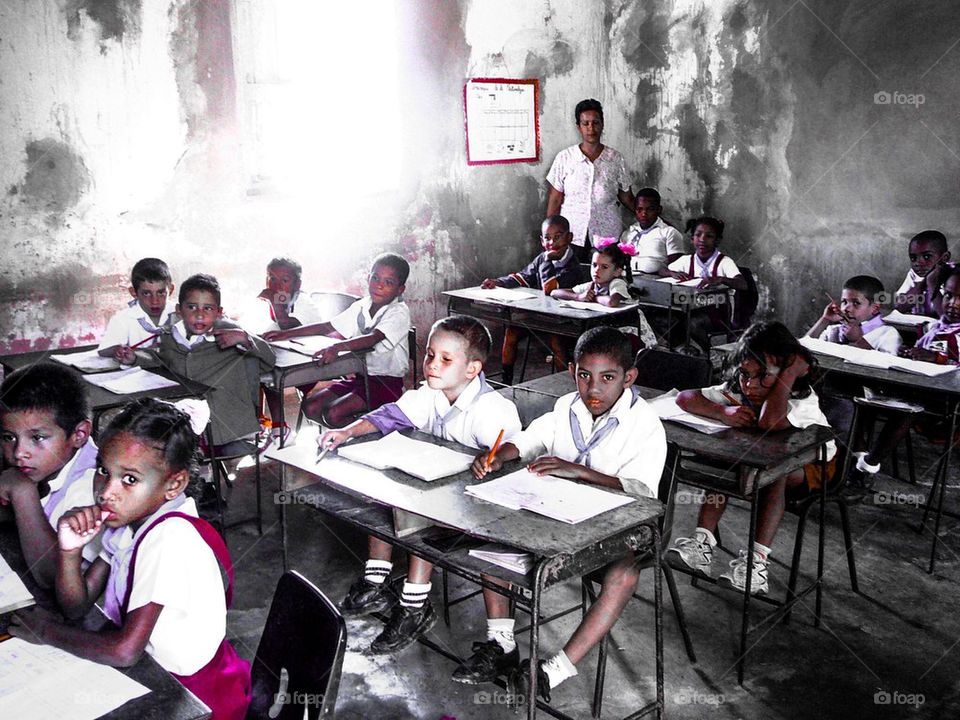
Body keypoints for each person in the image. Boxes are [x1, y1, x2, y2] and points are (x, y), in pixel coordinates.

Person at [8, 398, 251, 719]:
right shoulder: (131, 522)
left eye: (130, 479)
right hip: (155, 673)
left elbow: (125, 651)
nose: (106, 492)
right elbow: (76, 606)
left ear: (174, 484)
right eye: (103, 471)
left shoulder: (169, 539)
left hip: (195, 697)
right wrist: (69, 552)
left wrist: (47, 633)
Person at [465, 327, 666, 700]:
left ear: (629, 377)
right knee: (493, 536)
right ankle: (501, 642)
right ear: (572, 371)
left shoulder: (645, 424)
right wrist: (499, 457)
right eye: (584, 375)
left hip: (620, 529)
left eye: (607, 378)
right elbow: (530, 439)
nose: (593, 388)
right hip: (561, 521)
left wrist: (580, 472)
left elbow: (642, 492)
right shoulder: (566, 407)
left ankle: (551, 672)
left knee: (624, 575)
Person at [319, 316, 522, 653]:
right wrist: (347, 432)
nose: (432, 365)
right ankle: (377, 580)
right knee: (389, 488)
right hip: (439, 501)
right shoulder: (430, 394)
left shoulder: (492, 409)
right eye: (430, 355)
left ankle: (414, 605)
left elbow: (512, 457)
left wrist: (494, 458)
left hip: (481, 513)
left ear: (472, 369)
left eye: (445, 359)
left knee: (419, 510)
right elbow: (388, 416)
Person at [667, 321, 835, 595]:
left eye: (763, 376)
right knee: (730, 460)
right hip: (754, 465)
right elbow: (685, 398)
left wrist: (789, 374)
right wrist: (722, 412)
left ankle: (757, 564)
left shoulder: (801, 399)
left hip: (814, 470)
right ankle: (702, 544)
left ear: (789, 372)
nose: (749, 385)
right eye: (745, 374)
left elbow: (770, 421)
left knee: (775, 473)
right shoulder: (738, 390)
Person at [266, 253, 411, 428]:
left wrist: (337, 347)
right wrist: (286, 334)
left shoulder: (399, 312)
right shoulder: (362, 305)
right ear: (368, 278)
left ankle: (374, 433)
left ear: (400, 289)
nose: (379, 285)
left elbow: (374, 338)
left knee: (333, 414)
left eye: (388, 282)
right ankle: (352, 435)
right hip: (360, 379)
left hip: (386, 384)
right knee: (310, 407)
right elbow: (328, 326)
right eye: (375, 278)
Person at [0, 362, 98, 586]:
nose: (19, 453)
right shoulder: (45, 463)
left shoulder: (93, 486)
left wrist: (22, 492)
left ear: (79, 434)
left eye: (37, 438)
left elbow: (53, 579)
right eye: (8, 437)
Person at [152, 274, 276, 448]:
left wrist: (245, 338)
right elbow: (159, 363)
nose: (199, 315)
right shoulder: (169, 336)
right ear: (179, 310)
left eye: (208, 308)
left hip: (227, 423)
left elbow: (269, 359)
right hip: (185, 420)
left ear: (219, 312)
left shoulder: (229, 332)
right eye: (192, 307)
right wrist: (133, 358)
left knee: (231, 456)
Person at [805, 275, 903, 486]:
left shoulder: (886, 333)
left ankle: (844, 464)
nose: (847, 308)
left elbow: (888, 372)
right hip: (830, 391)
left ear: (875, 308)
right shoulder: (834, 329)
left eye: (856, 303)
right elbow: (804, 348)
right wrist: (824, 320)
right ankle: (823, 460)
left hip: (868, 397)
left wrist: (858, 340)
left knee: (841, 406)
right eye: (844, 302)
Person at [482, 216, 585, 385]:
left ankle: (565, 385)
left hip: (564, 320)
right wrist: (498, 282)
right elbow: (523, 277)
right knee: (512, 331)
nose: (552, 242)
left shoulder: (572, 266)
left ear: (569, 237)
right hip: (541, 315)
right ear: (542, 241)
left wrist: (547, 260)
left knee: (556, 341)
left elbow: (550, 289)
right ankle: (506, 381)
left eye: (558, 237)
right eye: (547, 238)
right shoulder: (542, 258)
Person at [241, 257, 324, 444]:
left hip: (310, 364)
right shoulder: (268, 303)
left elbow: (287, 325)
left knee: (267, 367)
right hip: (283, 359)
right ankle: (258, 421)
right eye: (272, 278)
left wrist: (274, 303)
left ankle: (278, 427)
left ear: (297, 284)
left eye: (284, 280)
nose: (277, 285)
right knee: (252, 361)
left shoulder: (303, 302)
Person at [546, 99, 635, 261]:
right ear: (578, 127)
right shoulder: (565, 158)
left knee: (605, 273)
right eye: (585, 123)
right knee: (572, 273)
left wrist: (655, 220)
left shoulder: (616, 159)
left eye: (595, 123)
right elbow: (555, 199)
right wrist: (549, 235)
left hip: (607, 234)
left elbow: (626, 197)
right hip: (572, 234)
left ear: (602, 124)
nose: (591, 128)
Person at [551, 238, 657, 349]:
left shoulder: (617, 283)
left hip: (629, 334)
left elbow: (612, 302)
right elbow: (555, 292)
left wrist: (593, 297)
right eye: (594, 265)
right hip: (608, 331)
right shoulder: (592, 285)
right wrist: (577, 296)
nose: (597, 270)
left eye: (604, 267)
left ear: (617, 271)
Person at [661, 217, 748, 351]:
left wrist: (721, 279)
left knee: (693, 323)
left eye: (709, 236)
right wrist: (671, 273)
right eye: (698, 235)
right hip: (689, 308)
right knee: (662, 319)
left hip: (717, 314)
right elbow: (662, 270)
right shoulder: (687, 260)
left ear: (717, 240)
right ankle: (684, 349)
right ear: (692, 238)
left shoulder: (724, 262)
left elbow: (742, 284)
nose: (702, 239)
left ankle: (708, 353)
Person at [97, 258, 176, 364]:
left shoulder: (183, 314)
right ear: (133, 292)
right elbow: (103, 350)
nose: (155, 301)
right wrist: (117, 350)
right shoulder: (123, 318)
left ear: (171, 289)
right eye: (146, 293)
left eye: (161, 293)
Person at [618, 187, 685, 274]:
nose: (644, 214)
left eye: (650, 209)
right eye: (639, 209)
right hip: (627, 278)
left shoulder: (669, 233)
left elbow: (677, 268)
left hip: (656, 280)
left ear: (659, 210)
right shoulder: (629, 233)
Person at [895, 230, 953, 317]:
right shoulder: (914, 275)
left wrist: (931, 283)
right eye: (913, 258)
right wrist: (923, 284)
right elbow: (900, 307)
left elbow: (946, 317)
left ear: (945, 258)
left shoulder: (954, 277)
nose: (918, 263)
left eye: (927, 257)